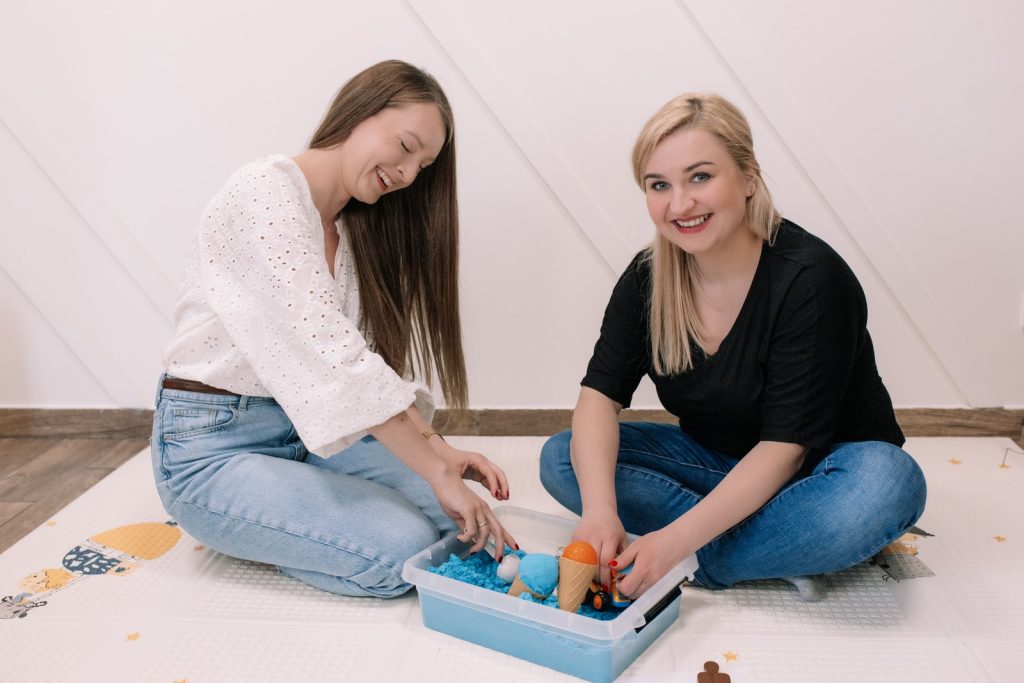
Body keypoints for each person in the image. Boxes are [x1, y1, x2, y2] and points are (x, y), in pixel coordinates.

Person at [539, 93, 926, 601]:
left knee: (889, 483)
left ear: (748, 178)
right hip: (719, 466)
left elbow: (786, 450)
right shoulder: (648, 277)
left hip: (823, 473)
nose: (680, 204)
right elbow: (598, 396)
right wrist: (599, 513)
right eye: (659, 185)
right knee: (562, 457)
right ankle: (780, 548)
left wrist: (675, 543)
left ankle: (707, 559)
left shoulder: (810, 278)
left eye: (700, 177)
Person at [151, 60, 516, 598]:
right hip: (211, 448)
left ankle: (293, 523)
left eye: (423, 165)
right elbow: (338, 362)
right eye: (405, 146)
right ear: (360, 111)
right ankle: (265, 533)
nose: (408, 174)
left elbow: (365, 368)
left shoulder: (350, 229)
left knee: (458, 532)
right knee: (401, 554)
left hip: (308, 435)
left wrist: (439, 452)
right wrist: (436, 472)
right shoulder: (264, 192)